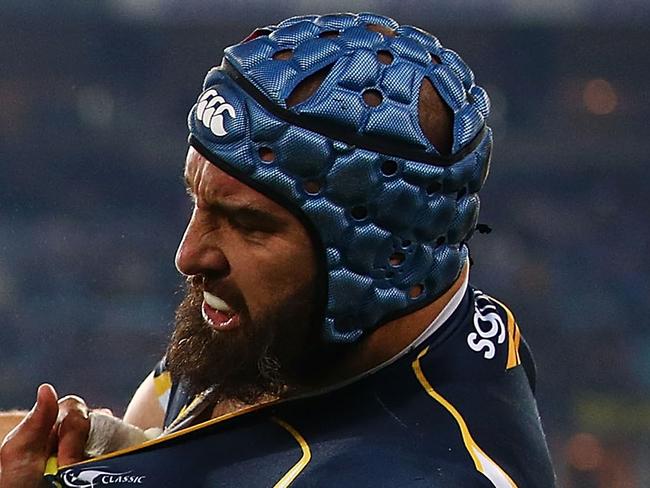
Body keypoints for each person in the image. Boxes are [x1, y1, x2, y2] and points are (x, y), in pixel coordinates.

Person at [0, 12, 556, 487]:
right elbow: (178, 423)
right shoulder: (287, 334)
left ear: (373, 257)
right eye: (197, 201)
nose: (190, 255)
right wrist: (122, 449)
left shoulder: (419, 469)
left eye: (246, 222)